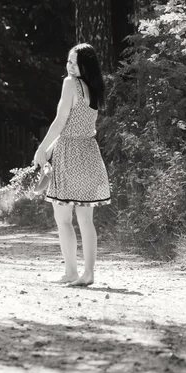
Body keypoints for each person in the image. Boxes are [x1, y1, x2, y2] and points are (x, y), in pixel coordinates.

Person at [34, 43, 111, 286]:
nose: (69, 66)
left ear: (84, 66)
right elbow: (76, 126)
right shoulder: (95, 90)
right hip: (89, 154)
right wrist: (48, 150)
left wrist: (41, 149)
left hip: (69, 155)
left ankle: (71, 272)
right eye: (68, 61)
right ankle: (88, 274)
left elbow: (60, 123)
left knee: (63, 219)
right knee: (86, 220)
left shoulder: (70, 84)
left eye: (74, 63)